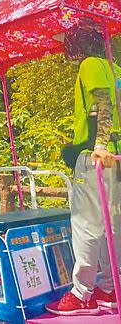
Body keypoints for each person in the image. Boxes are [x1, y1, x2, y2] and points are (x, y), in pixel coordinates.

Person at [47, 20, 121, 315]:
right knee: (111, 226)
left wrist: (99, 143)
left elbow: (102, 104)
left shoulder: (90, 64)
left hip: (95, 156)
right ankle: (109, 287)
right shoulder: (114, 68)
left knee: (86, 225)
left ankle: (82, 293)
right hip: (115, 154)